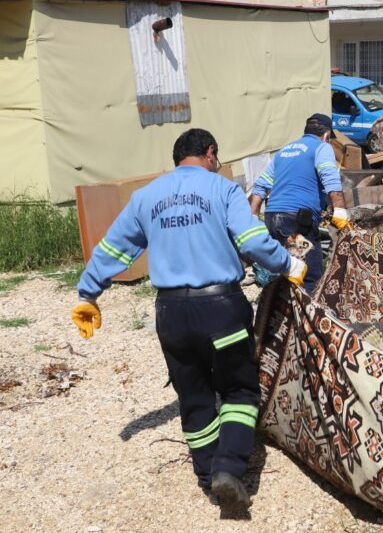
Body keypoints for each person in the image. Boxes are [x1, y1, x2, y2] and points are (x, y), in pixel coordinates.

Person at [70, 128, 308, 511]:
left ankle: (206, 475)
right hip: (221, 309)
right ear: (210, 153)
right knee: (238, 391)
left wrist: (87, 293)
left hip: (171, 315)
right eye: (217, 156)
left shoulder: (145, 197)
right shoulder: (223, 189)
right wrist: (287, 262)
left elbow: (114, 248)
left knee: (195, 396)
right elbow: (249, 239)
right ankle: (229, 469)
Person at [249, 114, 350, 291]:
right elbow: (330, 178)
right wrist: (340, 211)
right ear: (326, 135)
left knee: (291, 271)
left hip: (273, 218)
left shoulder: (284, 151)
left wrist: (252, 217)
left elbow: (260, 186)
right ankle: (309, 316)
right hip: (296, 221)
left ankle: (287, 312)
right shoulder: (322, 147)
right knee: (311, 276)